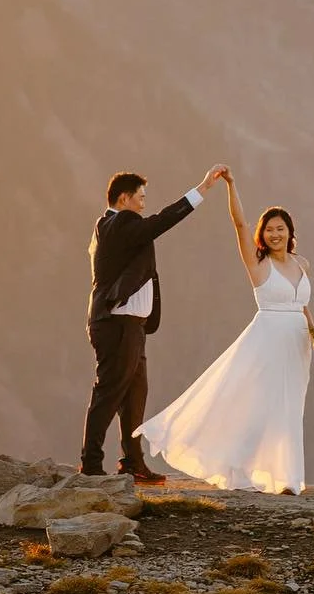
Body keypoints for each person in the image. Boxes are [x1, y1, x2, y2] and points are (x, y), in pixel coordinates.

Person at [136, 173, 314, 494]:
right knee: (262, 405)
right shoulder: (258, 264)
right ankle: (240, 468)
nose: (275, 234)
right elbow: (240, 225)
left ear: (290, 233)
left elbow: (303, 305)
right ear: (263, 235)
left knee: (289, 408)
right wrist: (231, 186)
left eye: (280, 229)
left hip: (299, 345)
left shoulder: (302, 264)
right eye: (269, 230)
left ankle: (286, 478)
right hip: (268, 341)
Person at [80, 165, 229, 483]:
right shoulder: (122, 221)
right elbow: (162, 221)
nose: (144, 205)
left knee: (134, 395)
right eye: (141, 198)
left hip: (129, 326)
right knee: (109, 392)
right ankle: (91, 464)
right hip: (117, 324)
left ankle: (133, 463)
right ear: (124, 198)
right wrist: (201, 189)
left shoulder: (112, 226)